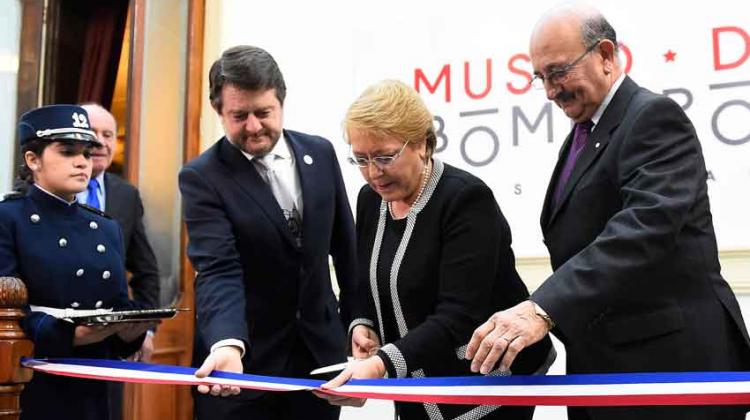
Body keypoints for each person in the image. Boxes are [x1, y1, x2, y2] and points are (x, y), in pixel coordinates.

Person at [466, 5, 750, 420]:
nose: (549, 91)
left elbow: (643, 229)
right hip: (605, 371)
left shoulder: (652, 117)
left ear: (604, 54)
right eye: (540, 77)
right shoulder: (585, 133)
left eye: (558, 72)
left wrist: (543, 308)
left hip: (670, 371)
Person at [316, 80, 554, 420]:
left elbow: (459, 315)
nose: (373, 172)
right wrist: (362, 324)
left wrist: (381, 364)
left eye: (385, 156)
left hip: (482, 385)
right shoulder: (370, 200)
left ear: (423, 144)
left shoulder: (466, 200)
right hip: (415, 384)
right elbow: (363, 280)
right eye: (361, 159)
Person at [178, 45, 357, 420]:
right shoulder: (202, 177)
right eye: (239, 116)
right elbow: (217, 269)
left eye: (264, 113)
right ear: (218, 111)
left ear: (282, 102)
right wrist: (228, 343)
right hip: (244, 367)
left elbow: (347, 250)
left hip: (318, 361)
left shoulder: (319, 153)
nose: (254, 127)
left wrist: (360, 322)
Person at [0, 104, 153, 420]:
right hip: (30, 382)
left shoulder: (105, 226)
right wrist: (68, 333)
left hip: (92, 382)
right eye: (68, 152)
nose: (82, 162)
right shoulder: (9, 218)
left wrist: (132, 329)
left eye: (86, 152)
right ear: (33, 160)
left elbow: (117, 301)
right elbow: (6, 310)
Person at [76, 103, 161, 420]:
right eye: (92, 133)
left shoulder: (126, 194)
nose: (101, 142)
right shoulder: (32, 195)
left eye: (108, 134)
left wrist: (146, 329)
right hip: (54, 345)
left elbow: (146, 268)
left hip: (110, 346)